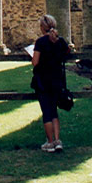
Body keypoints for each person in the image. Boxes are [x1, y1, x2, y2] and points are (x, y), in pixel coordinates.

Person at [31, 14, 71, 152]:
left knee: (46, 112)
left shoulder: (41, 42)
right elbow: (67, 52)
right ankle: (58, 140)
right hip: (57, 80)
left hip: (43, 80)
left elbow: (35, 62)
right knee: (54, 111)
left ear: (42, 27)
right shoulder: (61, 41)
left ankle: (50, 142)